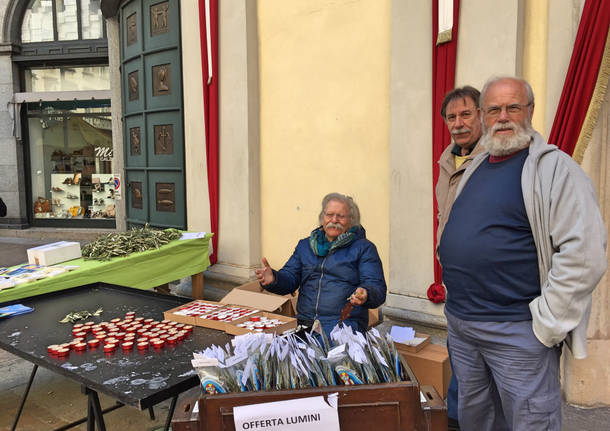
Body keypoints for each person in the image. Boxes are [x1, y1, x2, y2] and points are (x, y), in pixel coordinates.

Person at [438, 76, 607, 431]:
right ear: (484, 115)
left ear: (529, 111)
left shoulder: (555, 169)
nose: (503, 117)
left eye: (513, 107)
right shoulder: (478, 167)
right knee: (478, 421)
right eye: (494, 109)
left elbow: (585, 255)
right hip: (464, 326)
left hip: (517, 331)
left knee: (531, 422)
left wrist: (545, 326)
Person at [255, 192, 386, 336]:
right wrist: (274, 279)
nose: (334, 220)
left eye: (341, 216)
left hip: (343, 327)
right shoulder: (305, 245)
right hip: (305, 324)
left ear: (351, 220)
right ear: (322, 217)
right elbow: (290, 278)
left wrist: (366, 293)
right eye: (329, 214)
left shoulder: (364, 248)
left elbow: (376, 286)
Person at [436, 85, 484, 430]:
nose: (458, 123)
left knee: (490, 370)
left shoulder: (495, 158)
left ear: (482, 115)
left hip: (489, 281)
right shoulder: (447, 159)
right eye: (451, 117)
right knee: (461, 358)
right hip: (457, 280)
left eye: (466, 114)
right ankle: (456, 420)